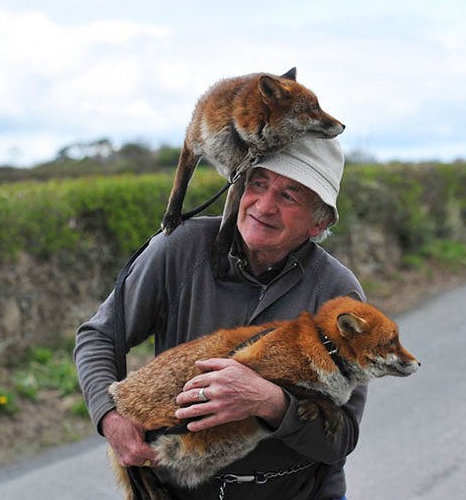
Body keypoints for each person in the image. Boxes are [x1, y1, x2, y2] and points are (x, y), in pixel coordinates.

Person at [74, 137, 365, 500]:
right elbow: (99, 337)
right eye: (258, 184)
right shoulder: (179, 249)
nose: (265, 205)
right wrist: (110, 418)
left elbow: (342, 438)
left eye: (289, 196)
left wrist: (270, 403)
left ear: (317, 224)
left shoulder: (337, 295)